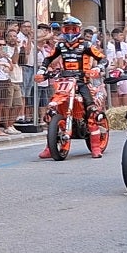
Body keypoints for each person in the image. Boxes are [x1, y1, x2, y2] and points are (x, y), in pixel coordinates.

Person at [35, 16, 106, 159]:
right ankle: (49, 147)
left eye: (73, 29)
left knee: (91, 110)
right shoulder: (60, 45)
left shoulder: (86, 45)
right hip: (64, 81)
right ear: (63, 30)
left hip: (82, 81)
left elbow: (103, 59)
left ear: (79, 30)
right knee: (52, 109)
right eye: (67, 29)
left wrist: (97, 68)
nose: (70, 32)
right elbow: (48, 59)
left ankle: (96, 147)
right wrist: (42, 71)